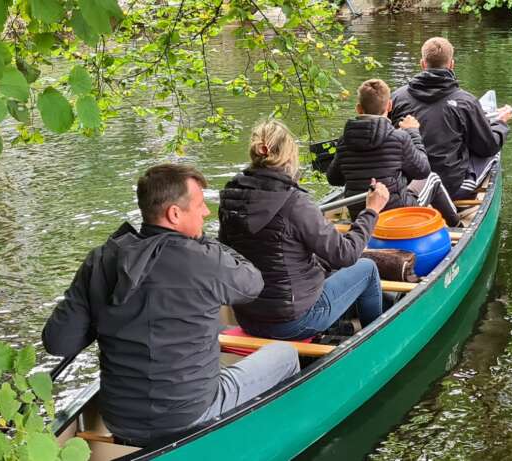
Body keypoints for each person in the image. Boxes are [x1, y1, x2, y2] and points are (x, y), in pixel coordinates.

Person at [42, 164, 300, 446]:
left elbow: (59, 343)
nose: (205, 213)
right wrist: (205, 242)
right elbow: (252, 283)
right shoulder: (203, 260)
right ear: (174, 214)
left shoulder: (101, 259)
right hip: (190, 415)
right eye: (200, 205)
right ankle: (273, 439)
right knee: (285, 354)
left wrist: (101, 311)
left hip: (120, 419)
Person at [218, 119, 391, 341]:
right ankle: (377, 340)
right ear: (290, 156)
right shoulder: (295, 202)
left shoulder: (231, 196)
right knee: (367, 268)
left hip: (247, 317)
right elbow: (345, 255)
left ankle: (337, 329)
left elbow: (228, 254)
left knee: (324, 268)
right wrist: (371, 210)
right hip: (292, 321)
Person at [390, 36, 512, 199]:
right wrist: (500, 124)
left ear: (422, 64)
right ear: (451, 64)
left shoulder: (396, 98)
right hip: (450, 187)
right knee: (490, 149)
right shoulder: (465, 101)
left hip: (405, 183)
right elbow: (487, 148)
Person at [327, 78, 462, 227]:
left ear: (359, 109)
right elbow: (423, 170)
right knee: (432, 178)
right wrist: (413, 132)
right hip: (396, 213)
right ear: (390, 105)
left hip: (359, 213)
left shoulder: (344, 141)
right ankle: (457, 226)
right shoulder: (399, 137)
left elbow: (334, 179)